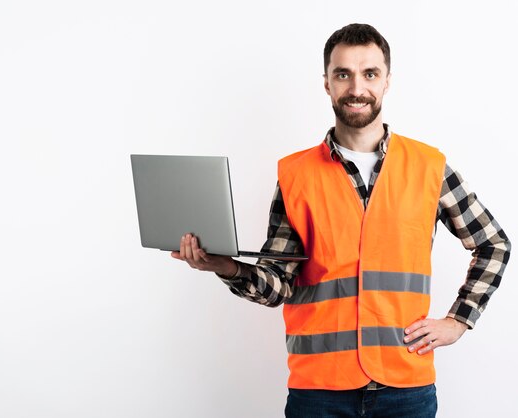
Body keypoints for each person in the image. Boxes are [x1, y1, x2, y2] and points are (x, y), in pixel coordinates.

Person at [171, 23, 511, 417]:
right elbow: (276, 285)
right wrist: (224, 266)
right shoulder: (295, 175)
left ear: (387, 82)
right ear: (327, 83)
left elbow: (494, 244)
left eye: (370, 73)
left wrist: (459, 320)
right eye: (343, 74)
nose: (356, 88)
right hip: (319, 389)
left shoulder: (428, 167)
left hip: (405, 386)